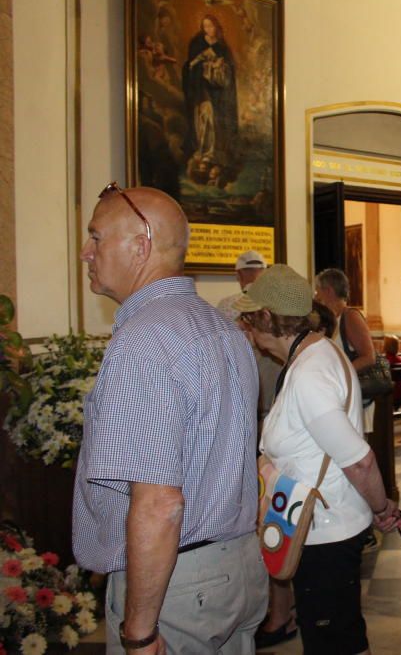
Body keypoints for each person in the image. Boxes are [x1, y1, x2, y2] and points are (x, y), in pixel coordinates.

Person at [72, 183, 267, 653]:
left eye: (96, 237)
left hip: (178, 588)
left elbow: (160, 503)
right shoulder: (225, 328)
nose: (86, 252)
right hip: (238, 565)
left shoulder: (144, 340)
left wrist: (139, 630)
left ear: (141, 245)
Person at [234, 264, 401, 654]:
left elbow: (359, 460)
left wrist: (381, 508)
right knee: (340, 637)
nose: (246, 328)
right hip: (322, 524)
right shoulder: (316, 352)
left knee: (332, 641)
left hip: (324, 532)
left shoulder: (309, 373)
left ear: (265, 318)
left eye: (249, 318)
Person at [215, 252, 296, 648]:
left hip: (265, 416)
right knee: (264, 518)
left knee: (271, 518)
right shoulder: (233, 309)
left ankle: (278, 610)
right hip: (255, 415)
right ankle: (270, 606)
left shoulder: (245, 309)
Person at [314, 267, 377, 431]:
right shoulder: (331, 318)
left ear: (328, 291)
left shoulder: (350, 317)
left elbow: (369, 357)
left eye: (317, 291)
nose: (316, 296)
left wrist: (339, 374)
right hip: (339, 395)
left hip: (354, 398)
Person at [182, 14, 237, 171]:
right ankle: (205, 152)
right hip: (201, 89)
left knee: (218, 120)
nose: (209, 29)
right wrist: (208, 65)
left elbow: (230, 72)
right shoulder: (197, 43)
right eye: (205, 26)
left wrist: (222, 66)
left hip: (218, 91)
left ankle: (216, 154)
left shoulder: (222, 47)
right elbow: (190, 66)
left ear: (216, 27)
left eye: (211, 26)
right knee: (206, 117)